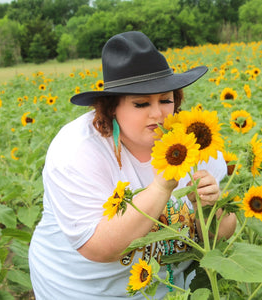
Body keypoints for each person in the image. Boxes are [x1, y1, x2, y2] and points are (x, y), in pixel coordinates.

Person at [29, 31, 236, 299]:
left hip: (168, 287)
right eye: (141, 103)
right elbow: (99, 248)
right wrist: (161, 186)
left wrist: (210, 208)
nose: (158, 113)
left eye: (165, 99)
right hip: (82, 288)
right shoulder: (77, 150)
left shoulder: (196, 141)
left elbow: (220, 232)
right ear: (111, 107)